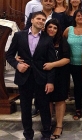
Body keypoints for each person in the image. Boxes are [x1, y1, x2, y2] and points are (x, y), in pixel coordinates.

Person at [6, 11, 56, 140]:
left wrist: (50, 82)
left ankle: (46, 133)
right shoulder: (19, 36)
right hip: (24, 78)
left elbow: (51, 62)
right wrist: (17, 65)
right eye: (38, 18)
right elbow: (9, 55)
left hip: (41, 78)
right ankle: (28, 134)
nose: (41, 21)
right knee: (25, 108)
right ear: (32, 20)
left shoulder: (47, 38)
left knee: (44, 108)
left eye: (43, 19)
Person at [43, 19, 70, 139]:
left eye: (55, 28)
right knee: (47, 99)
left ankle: (59, 126)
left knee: (59, 99)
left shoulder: (62, 41)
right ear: (46, 28)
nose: (52, 30)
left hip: (60, 74)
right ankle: (48, 125)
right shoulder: (41, 40)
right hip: (45, 74)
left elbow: (67, 59)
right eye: (50, 27)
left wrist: (52, 64)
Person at [63, 9, 82, 121]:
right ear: (74, 18)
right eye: (78, 16)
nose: (80, 18)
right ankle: (78, 108)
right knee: (77, 86)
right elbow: (62, 44)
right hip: (73, 63)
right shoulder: (68, 30)